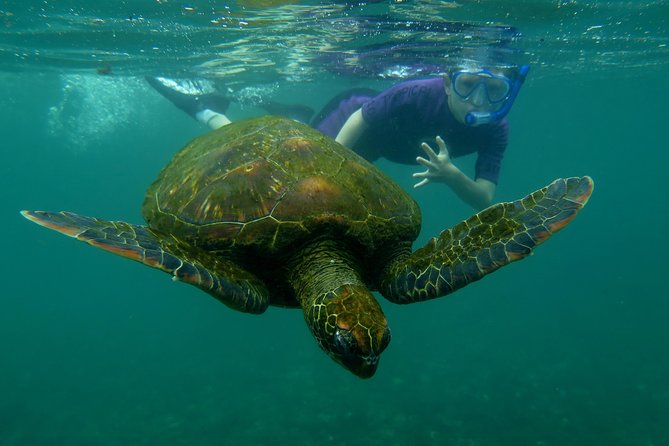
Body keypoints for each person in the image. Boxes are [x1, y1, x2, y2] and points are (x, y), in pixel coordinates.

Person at [147, 64, 529, 210]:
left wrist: (453, 177)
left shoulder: (497, 130)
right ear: (447, 83)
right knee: (286, 165)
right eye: (467, 85)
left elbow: (484, 199)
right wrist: (328, 166)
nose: (478, 100)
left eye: (494, 90)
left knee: (301, 140)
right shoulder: (419, 91)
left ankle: (296, 117)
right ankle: (205, 109)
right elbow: (364, 115)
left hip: (384, 147)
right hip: (356, 118)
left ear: (509, 90)